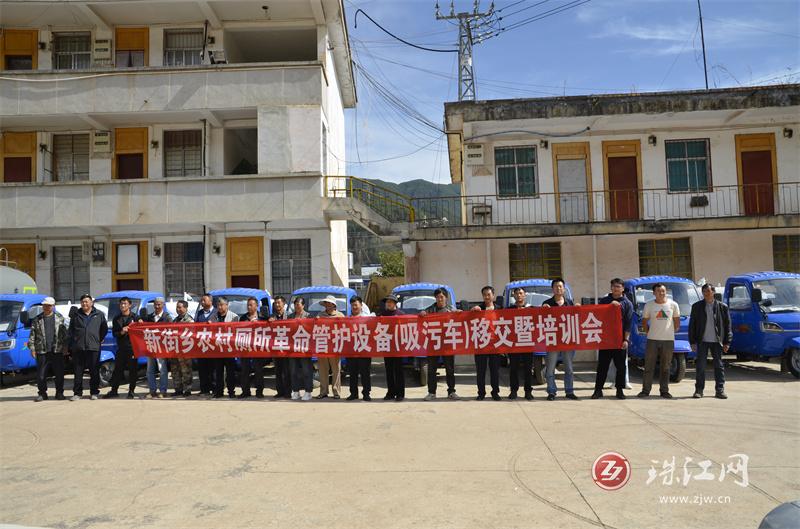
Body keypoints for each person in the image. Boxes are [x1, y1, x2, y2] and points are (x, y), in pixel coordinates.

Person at [689, 283, 732, 399]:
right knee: (700, 366)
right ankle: (699, 390)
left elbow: (728, 326)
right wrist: (692, 342)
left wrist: (727, 341)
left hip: (717, 341)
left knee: (719, 366)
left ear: (713, 292)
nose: (707, 293)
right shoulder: (696, 307)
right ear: (702, 293)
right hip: (702, 341)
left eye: (709, 291)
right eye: (704, 291)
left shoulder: (722, 307)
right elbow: (692, 325)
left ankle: (720, 390)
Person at [592, 278, 634, 400]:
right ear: (611, 288)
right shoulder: (604, 301)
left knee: (621, 367)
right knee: (602, 366)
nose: (615, 288)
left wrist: (626, 340)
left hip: (619, 340)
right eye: (613, 286)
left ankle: (620, 390)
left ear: (622, 288)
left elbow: (628, 323)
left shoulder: (627, 303)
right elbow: (596, 315)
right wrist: (610, 306)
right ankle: (598, 390)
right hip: (605, 340)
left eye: (618, 286)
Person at [638, 283, 680, 399]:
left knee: (666, 367)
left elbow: (677, 322)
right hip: (652, 340)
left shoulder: (673, 305)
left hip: (668, 340)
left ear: (666, 292)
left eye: (663, 291)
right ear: (654, 293)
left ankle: (664, 391)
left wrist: (671, 332)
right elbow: (644, 321)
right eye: (658, 291)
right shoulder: (649, 305)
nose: (661, 293)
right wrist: (648, 332)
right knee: (649, 366)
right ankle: (645, 390)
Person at [542, 278, 579, 401]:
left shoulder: (570, 303)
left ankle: (569, 391)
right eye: (556, 286)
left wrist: (579, 309)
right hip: (552, 340)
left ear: (564, 288)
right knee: (550, 368)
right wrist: (542, 309)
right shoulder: (547, 303)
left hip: (567, 340)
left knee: (569, 368)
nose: (558, 288)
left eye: (560, 286)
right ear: (552, 289)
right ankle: (551, 391)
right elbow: (540, 319)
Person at [421, 288, 459, 401]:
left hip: (447, 343)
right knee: (432, 369)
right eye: (437, 297)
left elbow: (460, 319)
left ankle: (451, 391)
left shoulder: (451, 309)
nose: (440, 299)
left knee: (450, 368)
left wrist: (459, 314)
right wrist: (422, 314)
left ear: (446, 298)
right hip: (433, 343)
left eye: (442, 297)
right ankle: (431, 392)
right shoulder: (430, 310)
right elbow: (421, 317)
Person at [68, 294, 108, 401]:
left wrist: (99, 338)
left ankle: (94, 392)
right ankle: (77, 393)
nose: (84, 304)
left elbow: (104, 328)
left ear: (91, 303)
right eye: (82, 302)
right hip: (79, 348)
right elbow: (71, 330)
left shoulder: (99, 314)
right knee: (78, 372)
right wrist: (74, 342)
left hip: (94, 347)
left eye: (86, 301)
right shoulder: (76, 315)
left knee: (94, 371)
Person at [28, 297, 68, 401]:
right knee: (41, 374)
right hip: (42, 350)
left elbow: (65, 335)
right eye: (44, 305)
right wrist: (32, 349)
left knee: (59, 374)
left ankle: (59, 393)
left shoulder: (60, 318)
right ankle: (42, 393)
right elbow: (32, 335)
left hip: (57, 350)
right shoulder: (37, 319)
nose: (46, 307)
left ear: (53, 306)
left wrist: (65, 347)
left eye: (49, 305)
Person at [104, 297, 139, 399]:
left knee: (133, 371)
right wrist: (122, 332)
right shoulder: (116, 318)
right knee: (118, 370)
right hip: (121, 348)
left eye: (124, 304)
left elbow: (142, 330)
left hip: (132, 348)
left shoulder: (135, 317)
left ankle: (131, 391)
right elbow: (115, 334)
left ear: (129, 305)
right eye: (121, 304)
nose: (122, 306)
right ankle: (114, 390)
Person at [471, 286, 501, 401]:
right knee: (481, 371)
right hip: (481, 344)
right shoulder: (478, 309)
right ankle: (481, 393)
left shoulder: (500, 309)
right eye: (484, 295)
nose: (487, 297)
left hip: (495, 344)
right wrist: (473, 310)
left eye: (489, 294)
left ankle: (495, 392)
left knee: (495, 371)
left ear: (493, 295)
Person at [143, 297, 173, 398]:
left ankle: (163, 390)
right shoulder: (149, 317)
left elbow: (171, 331)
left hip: (161, 347)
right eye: (155, 304)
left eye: (159, 304)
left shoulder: (167, 317)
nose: (156, 306)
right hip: (151, 346)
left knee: (162, 369)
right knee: (149, 370)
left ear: (163, 305)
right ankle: (152, 390)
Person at [316, 295, 344, 399]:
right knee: (323, 370)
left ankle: (336, 392)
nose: (327, 305)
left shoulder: (340, 316)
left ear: (333, 304)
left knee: (336, 370)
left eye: (329, 303)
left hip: (334, 346)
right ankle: (323, 392)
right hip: (322, 345)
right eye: (326, 303)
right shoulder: (320, 315)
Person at [210, 296, 239, 399]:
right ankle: (219, 391)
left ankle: (231, 391)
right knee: (218, 371)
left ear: (227, 305)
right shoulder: (213, 317)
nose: (220, 307)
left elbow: (237, 332)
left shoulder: (234, 317)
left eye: (222, 305)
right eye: (218, 305)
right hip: (218, 348)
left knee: (230, 372)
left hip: (229, 348)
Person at [508, 287, 534, 400]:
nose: (519, 295)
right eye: (517, 293)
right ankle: (513, 391)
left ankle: (528, 391)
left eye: (521, 293)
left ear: (525, 295)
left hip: (527, 342)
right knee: (513, 368)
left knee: (528, 368)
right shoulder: (508, 310)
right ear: (513, 296)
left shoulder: (532, 309)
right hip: (514, 344)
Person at [345, 296, 372, 401]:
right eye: (352, 305)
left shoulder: (368, 319)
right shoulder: (347, 319)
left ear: (361, 305)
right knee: (352, 374)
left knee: (365, 373)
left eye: (356, 304)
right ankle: (353, 394)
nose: (354, 307)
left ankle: (366, 393)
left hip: (364, 350)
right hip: (351, 350)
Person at [380, 294, 406, 402]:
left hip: (398, 347)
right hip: (387, 346)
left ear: (395, 303)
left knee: (399, 371)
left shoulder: (401, 314)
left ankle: (400, 394)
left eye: (390, 302)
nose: (388, 304)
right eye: (387, 302)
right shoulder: (383, 314)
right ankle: (391, 392)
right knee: (389, 370)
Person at [239, 297, 266, 399]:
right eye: (248, 305)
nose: (249, 307)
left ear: (256, 306)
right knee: (245, 370)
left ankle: (259, 391)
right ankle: (245, 391)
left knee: (258, 370)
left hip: (258, 347)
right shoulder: (243, 318)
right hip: (245, 347)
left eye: (251, 305)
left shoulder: (263, 317)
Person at [289, 297, 314, 401]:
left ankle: (308, 392)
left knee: (306, 371)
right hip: (292, 348)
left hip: (304, 348)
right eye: (295, 305)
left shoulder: (309, 316)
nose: (297, 307)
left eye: (298, 305)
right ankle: (295, 391)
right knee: (293, 371)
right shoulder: (290, 316)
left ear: (303, 306)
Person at [268, 296, 292, 399]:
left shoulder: (290, 317)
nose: (277, 305)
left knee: (287, 372)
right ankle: (279, 391)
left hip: (286, 349)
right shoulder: (272, 317)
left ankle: (288, 392)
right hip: (276, 348)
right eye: (276, 303)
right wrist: (269, 322)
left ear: (284, 304)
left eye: (279, 303)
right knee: (277, 371)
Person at [194, 293, 217, 397]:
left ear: (210, 301)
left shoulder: (216, 312)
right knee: (202, 368)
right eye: (201, 300)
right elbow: (195, 327)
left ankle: (215, 389)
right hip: (201, 345)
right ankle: (204, 389)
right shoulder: (199, 313)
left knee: (213, 368)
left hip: (213, 345)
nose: (202, 302)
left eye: (204, 300)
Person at [171, 300, 194, 397]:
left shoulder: (189, 320)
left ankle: (187, 390)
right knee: (175, 370)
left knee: (186, 370)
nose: (178, 309)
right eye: (177, 307)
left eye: (180, 307)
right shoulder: (175, 320)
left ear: (185, 308)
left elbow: (191, 334)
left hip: (185, 349)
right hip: (175, 349)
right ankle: (178, 389)